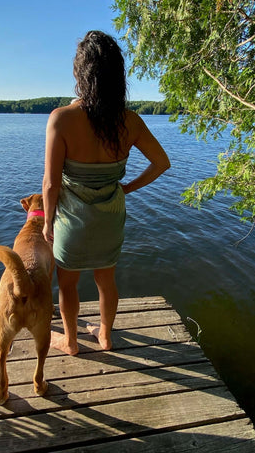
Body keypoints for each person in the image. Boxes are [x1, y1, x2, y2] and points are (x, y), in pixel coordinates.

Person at [42, 30, 170, 356]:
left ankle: (70, 341)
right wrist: (127, 187)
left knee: (67, 284)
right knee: (106, 280)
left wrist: (46, 223)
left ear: (80, 73)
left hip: (71, 219)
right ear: (117, 75)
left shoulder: (61, 119)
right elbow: (161, 164)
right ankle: (106, 336)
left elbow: (51, 184)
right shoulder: (130, 121)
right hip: (110, 215)